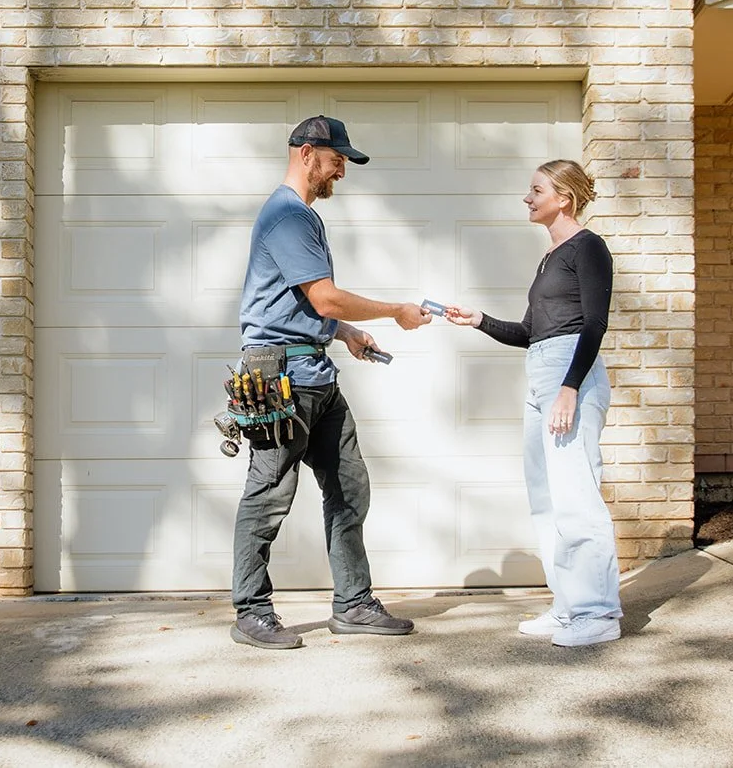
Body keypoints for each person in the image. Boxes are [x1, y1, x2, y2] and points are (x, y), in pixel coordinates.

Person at [230, 115, 432, 650]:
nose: (342, 168)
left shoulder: (300, 217)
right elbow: (322, 296)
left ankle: (353, 603)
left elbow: (303, 305)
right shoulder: (288, 216)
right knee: (270, 492)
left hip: (313, 370)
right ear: (305, 153)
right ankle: (250, 610)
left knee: (349, 486)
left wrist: (344, 333)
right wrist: (395, 312)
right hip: (278, 375)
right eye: (336, 157)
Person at [444, 159, 622, 648]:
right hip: (542, 370)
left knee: (576, 495)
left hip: (570, 374)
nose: (528, 197)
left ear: (563, 197)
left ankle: (598, 613)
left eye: (537, 189)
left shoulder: (589, 248)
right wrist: (478, 319)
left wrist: (570, 387)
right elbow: (528, 333)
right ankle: (569, 606)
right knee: (546, 499)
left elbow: (594, 324)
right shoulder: (549, 257)